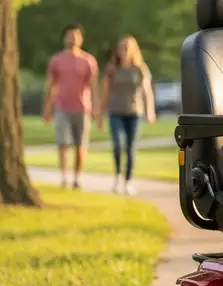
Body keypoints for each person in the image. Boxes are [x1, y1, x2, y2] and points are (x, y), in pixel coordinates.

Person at [43, 24, 100, 189]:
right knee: (63, 143)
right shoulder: (56, 60)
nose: (73, 38)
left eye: (76, 35)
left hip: (82, 109)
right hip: (62, 107)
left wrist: (96, 108)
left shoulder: (88, 61)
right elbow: (50, 85)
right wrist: (47, 107)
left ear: (81, 39)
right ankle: (64, 177)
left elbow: (94, 86)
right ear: (64, 38)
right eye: (69, 35)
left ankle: (77, 177)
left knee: (80, 145)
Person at [98, 35, 156, 195]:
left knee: (130, 149)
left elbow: (147, 91)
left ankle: (128, 181)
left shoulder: (140, 68)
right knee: (118, 145)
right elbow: (105, 93)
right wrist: (100, 114)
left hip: (135, 113)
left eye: (127, 47)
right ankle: (117, 177)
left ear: (133, 50)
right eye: (121, 47)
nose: (123, 50)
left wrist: (150, 111)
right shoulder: (112, 69)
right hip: (115, 112)